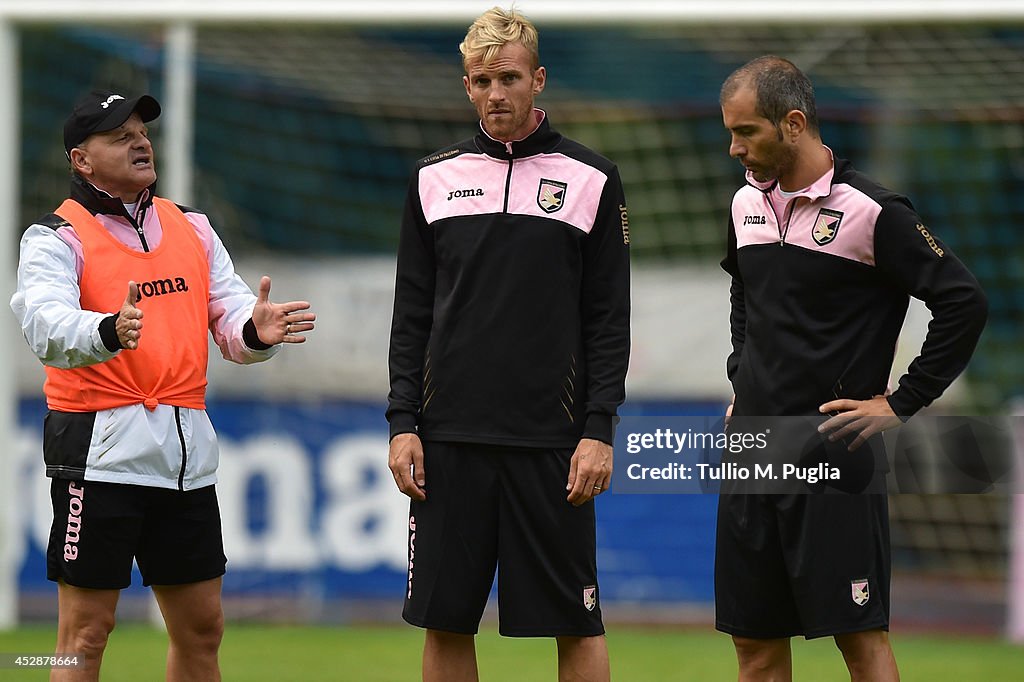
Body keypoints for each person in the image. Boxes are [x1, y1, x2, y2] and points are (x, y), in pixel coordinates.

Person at [10, 90, 316, 681]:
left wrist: (256, 329)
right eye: (119, 135)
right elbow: (43, 325)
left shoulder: (191, 227)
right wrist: (107, 329)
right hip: (96, 454)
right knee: (84, 635)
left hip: (185, 456)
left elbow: (229, 320)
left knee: (203, 628)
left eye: (142, 131)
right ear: (82, 160)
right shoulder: (53, 237)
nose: (140, 141)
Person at [716, 56, 988, 681]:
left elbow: (962, 301)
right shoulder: (743, 205)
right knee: (754, 648)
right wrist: (743, 378)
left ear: (793, 123)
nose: (734, 148)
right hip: (752, 447)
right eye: (729, 133)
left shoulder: (875, 212)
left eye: (746, 132)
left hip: (835, 453)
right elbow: (744, 296)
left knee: (859, 641)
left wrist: (901, 402)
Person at [386, 7, 630, 682]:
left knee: (577, 621)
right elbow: (410, 315)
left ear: (538, 80)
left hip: (553, 442)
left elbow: (609, 320)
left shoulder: (592, 179)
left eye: (510, 78)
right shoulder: (431, 179)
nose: (496, 93)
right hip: (448, 440)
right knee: (446, 620)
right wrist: (403, 423)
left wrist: (598, 429)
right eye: (481, 80)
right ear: (466, 85)